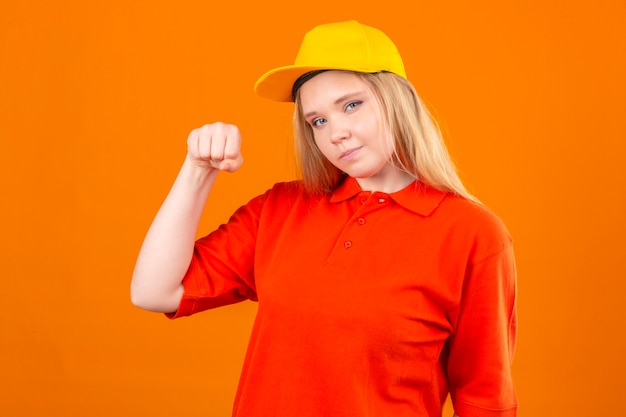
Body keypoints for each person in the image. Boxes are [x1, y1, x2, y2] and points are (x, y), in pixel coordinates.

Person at [131, 20, 518, 417]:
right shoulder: (281, 208)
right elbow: (154, 292)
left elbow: (485, 399)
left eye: (351, 105)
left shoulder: (473, 234)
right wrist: (197, 170)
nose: (336, 133)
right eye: (318, 120)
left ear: (397, 100)